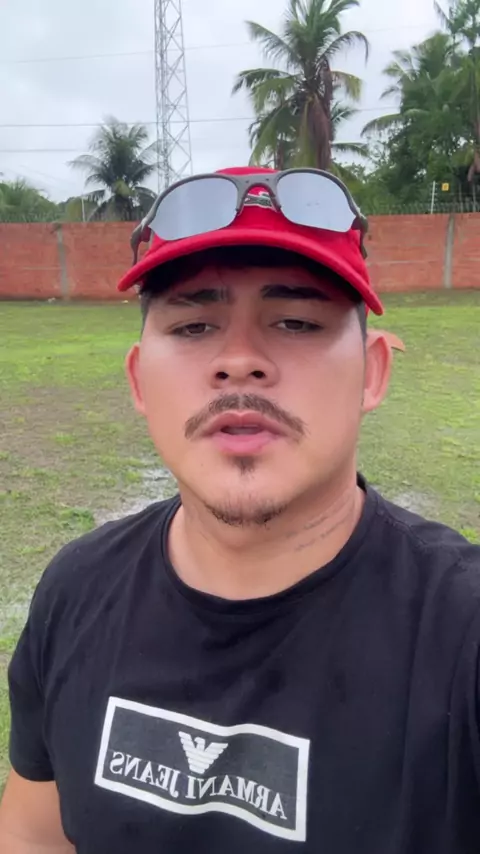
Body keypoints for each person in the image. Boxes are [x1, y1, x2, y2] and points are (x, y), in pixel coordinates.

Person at [0, 166, 478, 854]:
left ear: (373, 373)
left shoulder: (460, 635)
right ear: (139, 381)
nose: (240, 360)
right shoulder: (76, 588)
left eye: (296, 321)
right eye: (194, 325)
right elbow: (33, 835)